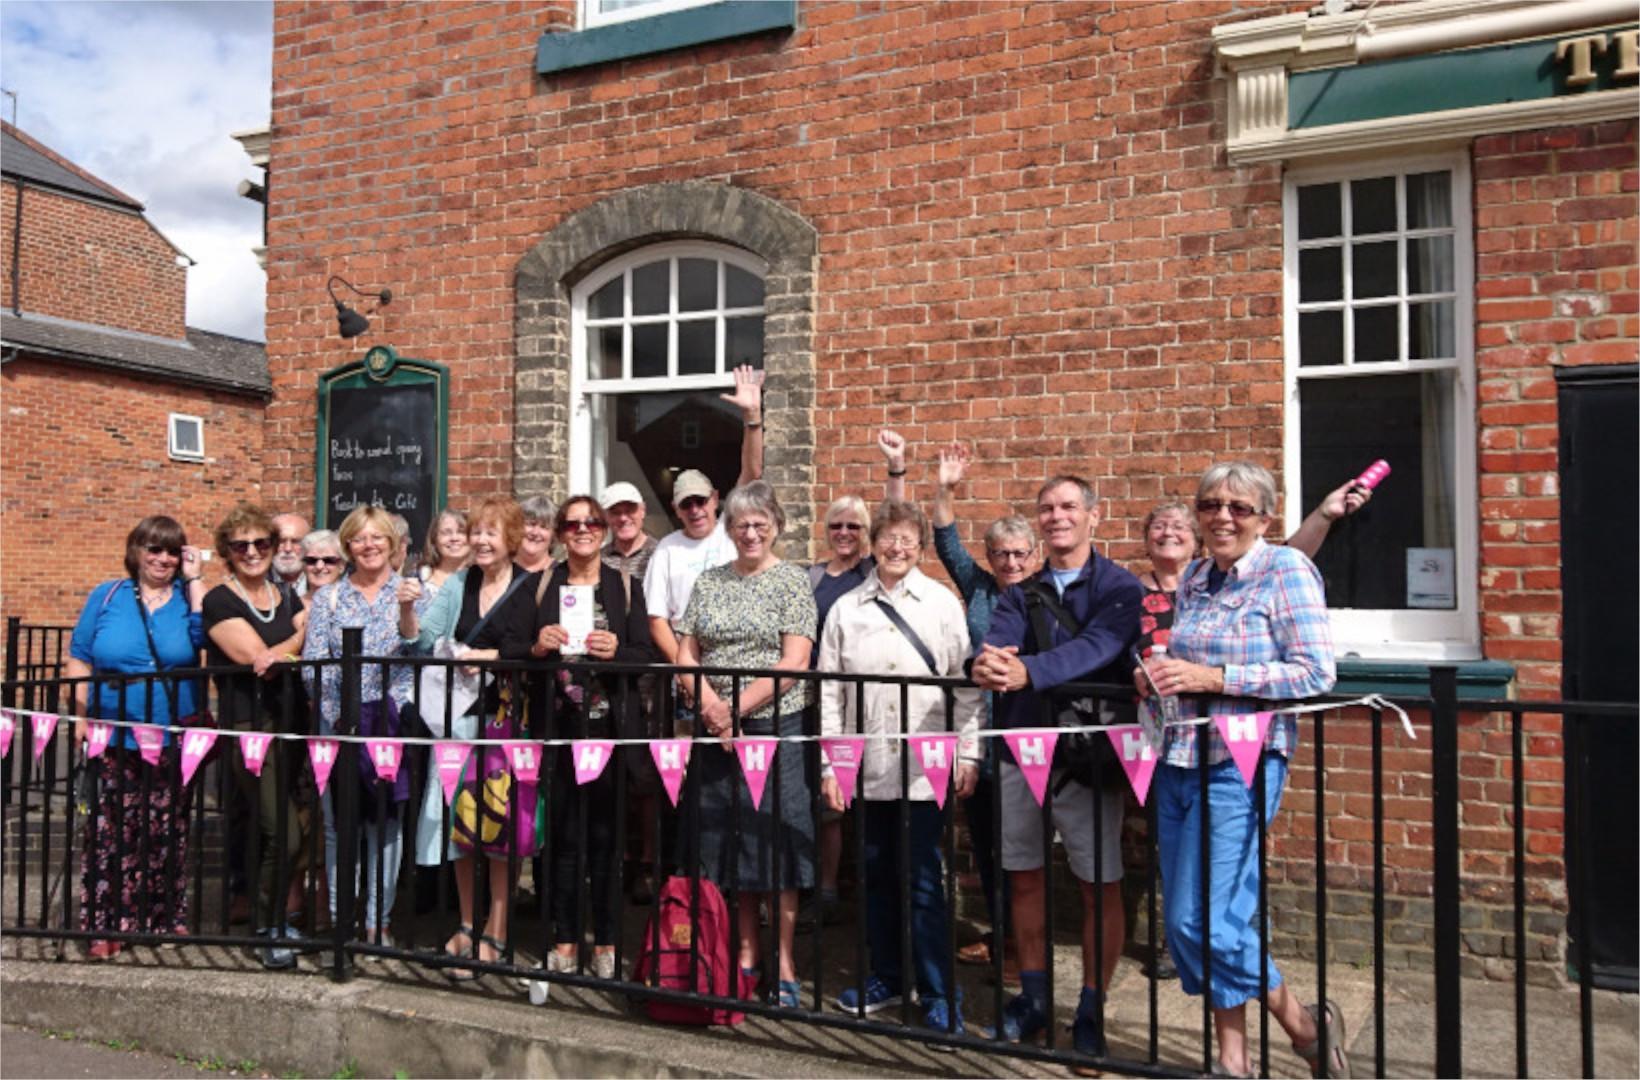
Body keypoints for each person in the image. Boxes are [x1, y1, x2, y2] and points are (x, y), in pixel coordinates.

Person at [1136, 462, 1346, 1080]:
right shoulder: (1198, 575)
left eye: (1239, 507)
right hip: (1176, 757)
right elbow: (1180, 656)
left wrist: (1216, 679)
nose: (1222, 516)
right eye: (1210, 505)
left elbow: (1315, 673)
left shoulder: (1287, 571)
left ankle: (1304, 1026)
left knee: (1199, 919)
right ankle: (1234, 1059)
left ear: (1265, 518)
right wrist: (1154, 674)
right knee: (1205, 921)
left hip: (1241, 763)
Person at [973, 475, 1141, 1059]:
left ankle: (1091, 1008)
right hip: (1022, 746)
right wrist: (988, 663)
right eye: (1047, 508)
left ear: (1095, 515)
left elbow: (1098, 647)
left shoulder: (1121, 588)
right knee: (1022, 875)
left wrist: (1030, 672)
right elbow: (1000, 639)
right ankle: (1034, 1001)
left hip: (1086, 755)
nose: (1056, 517)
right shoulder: (1022, 590)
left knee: (1100, 883)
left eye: (1069, 506)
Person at [818, 499, 982, 1035]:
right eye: (887, 538)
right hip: (866, 768)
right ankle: (887, 976)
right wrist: (831, 766)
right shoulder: (847, 608)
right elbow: (831, 693)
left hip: (923, 767)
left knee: (922, 882)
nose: (895, 547)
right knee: (875, 878)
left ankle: (937, 990)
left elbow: (965, 686)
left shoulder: (941, 604)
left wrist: (969, 750)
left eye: (907, 539)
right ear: (873, 544)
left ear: (919, 546)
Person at [675, 481, 816, 1008]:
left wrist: (734, 710)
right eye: (740, 524)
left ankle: (782, 959)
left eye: (760, 523)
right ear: (728, 530)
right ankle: (744, 952)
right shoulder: (709, 581)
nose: (750, 532)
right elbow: (686, 652)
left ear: (776, 525)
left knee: (774, 837)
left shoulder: (792, 582)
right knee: (727, 837)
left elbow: (794, 660)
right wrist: (712, 709)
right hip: (715, 728)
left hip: (774, 727)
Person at [518, 495, 658, 983]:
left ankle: (607, 941)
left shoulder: (625, 586)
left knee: (607, 840)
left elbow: (647, 654)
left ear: (602, 531)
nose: (582, 530)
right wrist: (537, 647)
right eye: (572, 524)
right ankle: (563, 938)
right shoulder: (539, 586)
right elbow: (510, 647)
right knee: (563, 840)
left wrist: (618, 650)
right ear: (560, 533)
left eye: (591, 523)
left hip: (609, 732)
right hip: (558, 729)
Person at [399, 497, 539, 976]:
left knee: (499, 823)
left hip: (505, 717)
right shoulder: (459, 582)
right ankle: (465, 923)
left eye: (490, 533)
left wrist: (490, 655)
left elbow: (536, 648)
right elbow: (421, 640)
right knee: (459, 824)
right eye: (476, 531)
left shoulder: (531, 586)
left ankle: (497, 930)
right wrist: (408, 613)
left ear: (511, 539)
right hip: (457, 717)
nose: (479, 540)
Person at [66, 515, 206, 959]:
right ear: (136, 551)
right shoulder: (106, 596)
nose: (162, 558)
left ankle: (163, 918)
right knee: (112, 834)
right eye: (154, 548)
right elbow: (80, 657)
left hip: (173, 736)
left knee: (167, 832)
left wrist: (197, 581)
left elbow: (205, 639)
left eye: (172, 550)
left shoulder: (188, 599)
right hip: (114, 735)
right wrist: (80, 718)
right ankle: (107, 924)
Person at [932, 440, 1036, 985]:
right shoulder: (978, 591)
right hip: (981, 745)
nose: (1012, 563)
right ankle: (1002, 939)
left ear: (1033, 556)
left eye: (1021, 554)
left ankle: (1025, 952)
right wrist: (946, 488)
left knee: (1028, 855)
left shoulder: (1045, 595)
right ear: (991, 558)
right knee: (989, 850)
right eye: (1002, 555)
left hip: (1032, 745)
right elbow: (945, 541)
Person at [804, 428, 911, 927]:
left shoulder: (872, 571)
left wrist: (895, 469)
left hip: (856, 702)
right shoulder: (810, 577)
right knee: (810, 796)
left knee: (848, 797)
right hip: (809, 698)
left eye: (854, 526)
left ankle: (834, 886)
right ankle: (808, 882)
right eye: (837, 525)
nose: (845, 533)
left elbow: (897, 521)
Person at [200, 503, 311, 968]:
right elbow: (254, 657)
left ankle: (276, 918)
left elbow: (283, 649)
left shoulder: (285, 595)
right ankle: (268, 925)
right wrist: (300, 638)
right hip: (249, 727)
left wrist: (293, 639)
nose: (252, 552)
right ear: (227, 551)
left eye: (261, 543)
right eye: (240, 545)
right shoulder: (219, 600)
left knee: (296, 827)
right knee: (279, 830)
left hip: (292, 724)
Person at [302, 505, 414, 947]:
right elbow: (313, 663)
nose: (369, 546)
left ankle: (377, 922)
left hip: (387, 724)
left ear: (392, 544)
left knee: (385, 827)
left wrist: (392, 706)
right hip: (338, 723)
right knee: (338, 825)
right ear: (348, 545)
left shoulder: (408, 591)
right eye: (359, 538)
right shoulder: (330, 597)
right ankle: (340, 919)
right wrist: (343, 707)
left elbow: (414, 653)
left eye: (378, 538)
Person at [642, 363, 766, 686]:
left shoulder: (732, 530)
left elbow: (752, 474)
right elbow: (657, 619)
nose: (696, 509)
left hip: (736, 657)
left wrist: (752, 419)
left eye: (701, 501)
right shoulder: (667, 549)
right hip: (686, 663)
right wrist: (689, 674)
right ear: (676, 509)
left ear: (715, 499)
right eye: (687, 504)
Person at [598, 480, 663, 905]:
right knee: (611, 777)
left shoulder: (660, 554)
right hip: (604, 683)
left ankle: (648, 863)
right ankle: (615, 860)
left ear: (641, 512)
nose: (623, 518)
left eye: (630, 510)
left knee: (649, 780)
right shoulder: (597, 557)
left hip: (649, 680)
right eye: (615, 512)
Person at [271, 513, 312, 598]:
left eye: (296, 541)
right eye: (281, 541)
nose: (288, 549)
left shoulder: (320, 581)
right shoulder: (257, 582)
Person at [518, 495, 559, 575]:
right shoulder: (498, 571)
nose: (535, 532)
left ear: (553, 534)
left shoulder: (565, 577)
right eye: (531, 524)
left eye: (544, 527)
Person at [301, 530, 345, 597]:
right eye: (312, 560)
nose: (319, 566)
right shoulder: (289, 606)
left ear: (342, 565)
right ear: (303, 566)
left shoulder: (356, 605)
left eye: (328, 560)